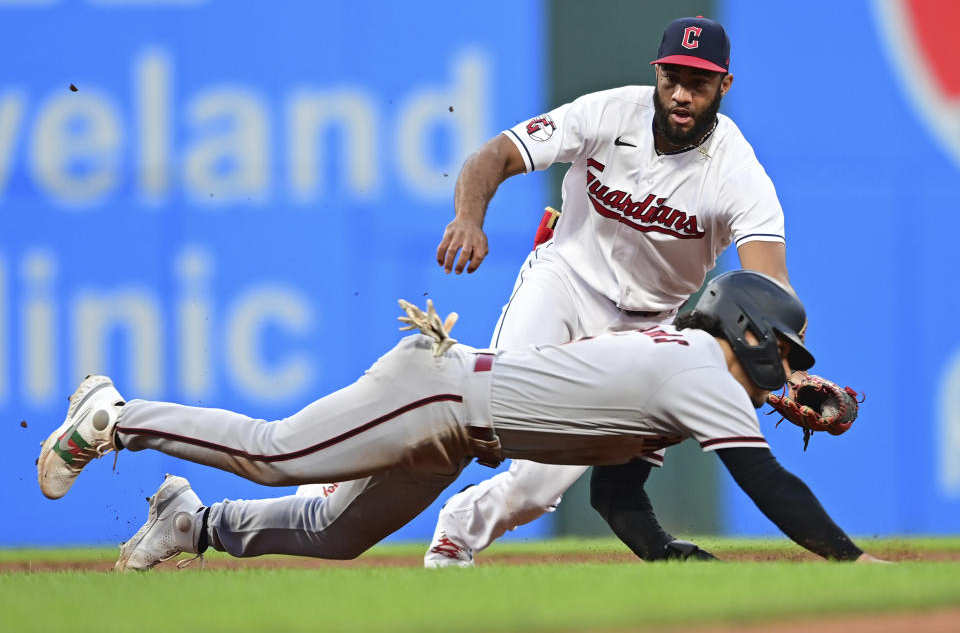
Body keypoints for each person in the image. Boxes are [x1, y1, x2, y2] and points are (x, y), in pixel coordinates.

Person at [37, 272, 883, 570]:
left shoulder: (689, 378)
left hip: (459, 427)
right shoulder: (697, 371)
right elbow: (767, 481)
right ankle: (114, 417)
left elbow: (617, 498)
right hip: (441, 390)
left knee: (336, 535)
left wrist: (668, 556)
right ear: (744, 330)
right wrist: (849, 561)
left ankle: (192, 524)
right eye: (786, 352)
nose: (794, 370)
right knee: (275, 453)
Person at [420, 15, 797, 568]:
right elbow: (494, 155)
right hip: (564, 282)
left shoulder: (738, 172)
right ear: (657, 74)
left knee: (534, 489)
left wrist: (786, 365)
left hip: (646, 329)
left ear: (725, 86)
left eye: (699, 82)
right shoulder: (607, 111)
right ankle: (350, 477)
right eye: (672, 78)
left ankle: (457, 531)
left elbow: (770, 288)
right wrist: (468, 218)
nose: (682, 94)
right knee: (487, 415)